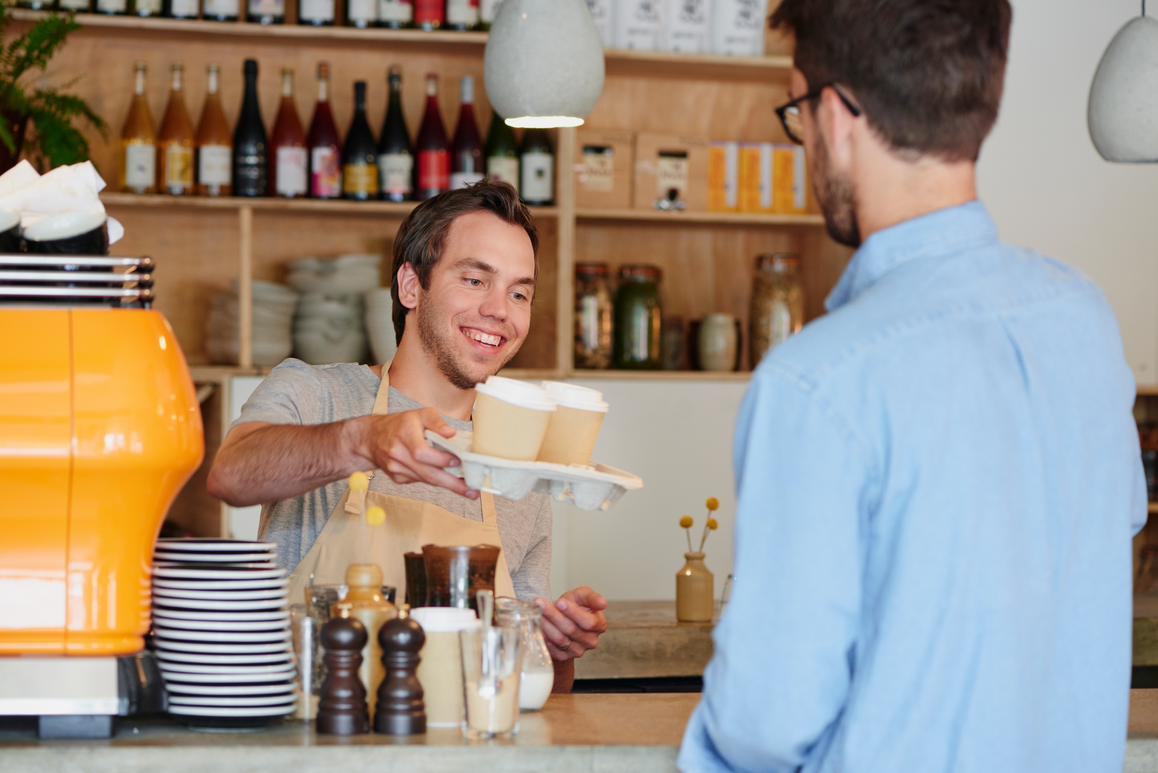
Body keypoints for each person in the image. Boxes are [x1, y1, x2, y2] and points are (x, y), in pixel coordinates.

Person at [679, 1, 1146, 771]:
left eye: (796, 112)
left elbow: (765, 722)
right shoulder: (1082, 319)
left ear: (833, 115)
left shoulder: (815, 383)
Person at [207, 180, 606, 692]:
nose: (500, 311)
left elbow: (527, 686)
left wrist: (555, 650)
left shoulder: (519, 464)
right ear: (410, 286)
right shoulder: (315, 393)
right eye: (476, 280)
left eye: (519, 292)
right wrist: (361, 442)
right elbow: (231, 474)